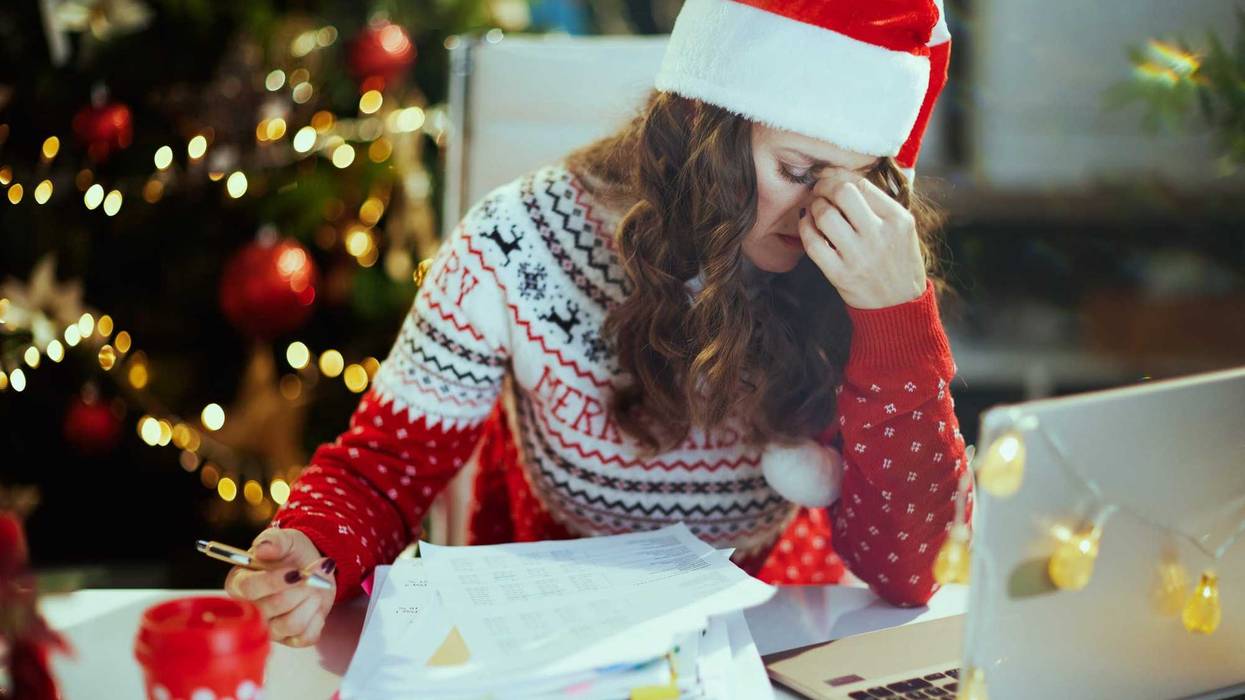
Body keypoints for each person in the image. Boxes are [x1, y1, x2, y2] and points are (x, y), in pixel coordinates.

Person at [226, 0, 973, 647]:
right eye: (798, 171)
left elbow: (915, 570)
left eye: (860, 177)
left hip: (768, 641)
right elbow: (383, 468)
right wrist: (315, 548)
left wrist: (895, 322)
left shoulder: (862, 267)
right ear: (701, 122)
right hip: (544, 644)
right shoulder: (515, 244)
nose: (823, 215)